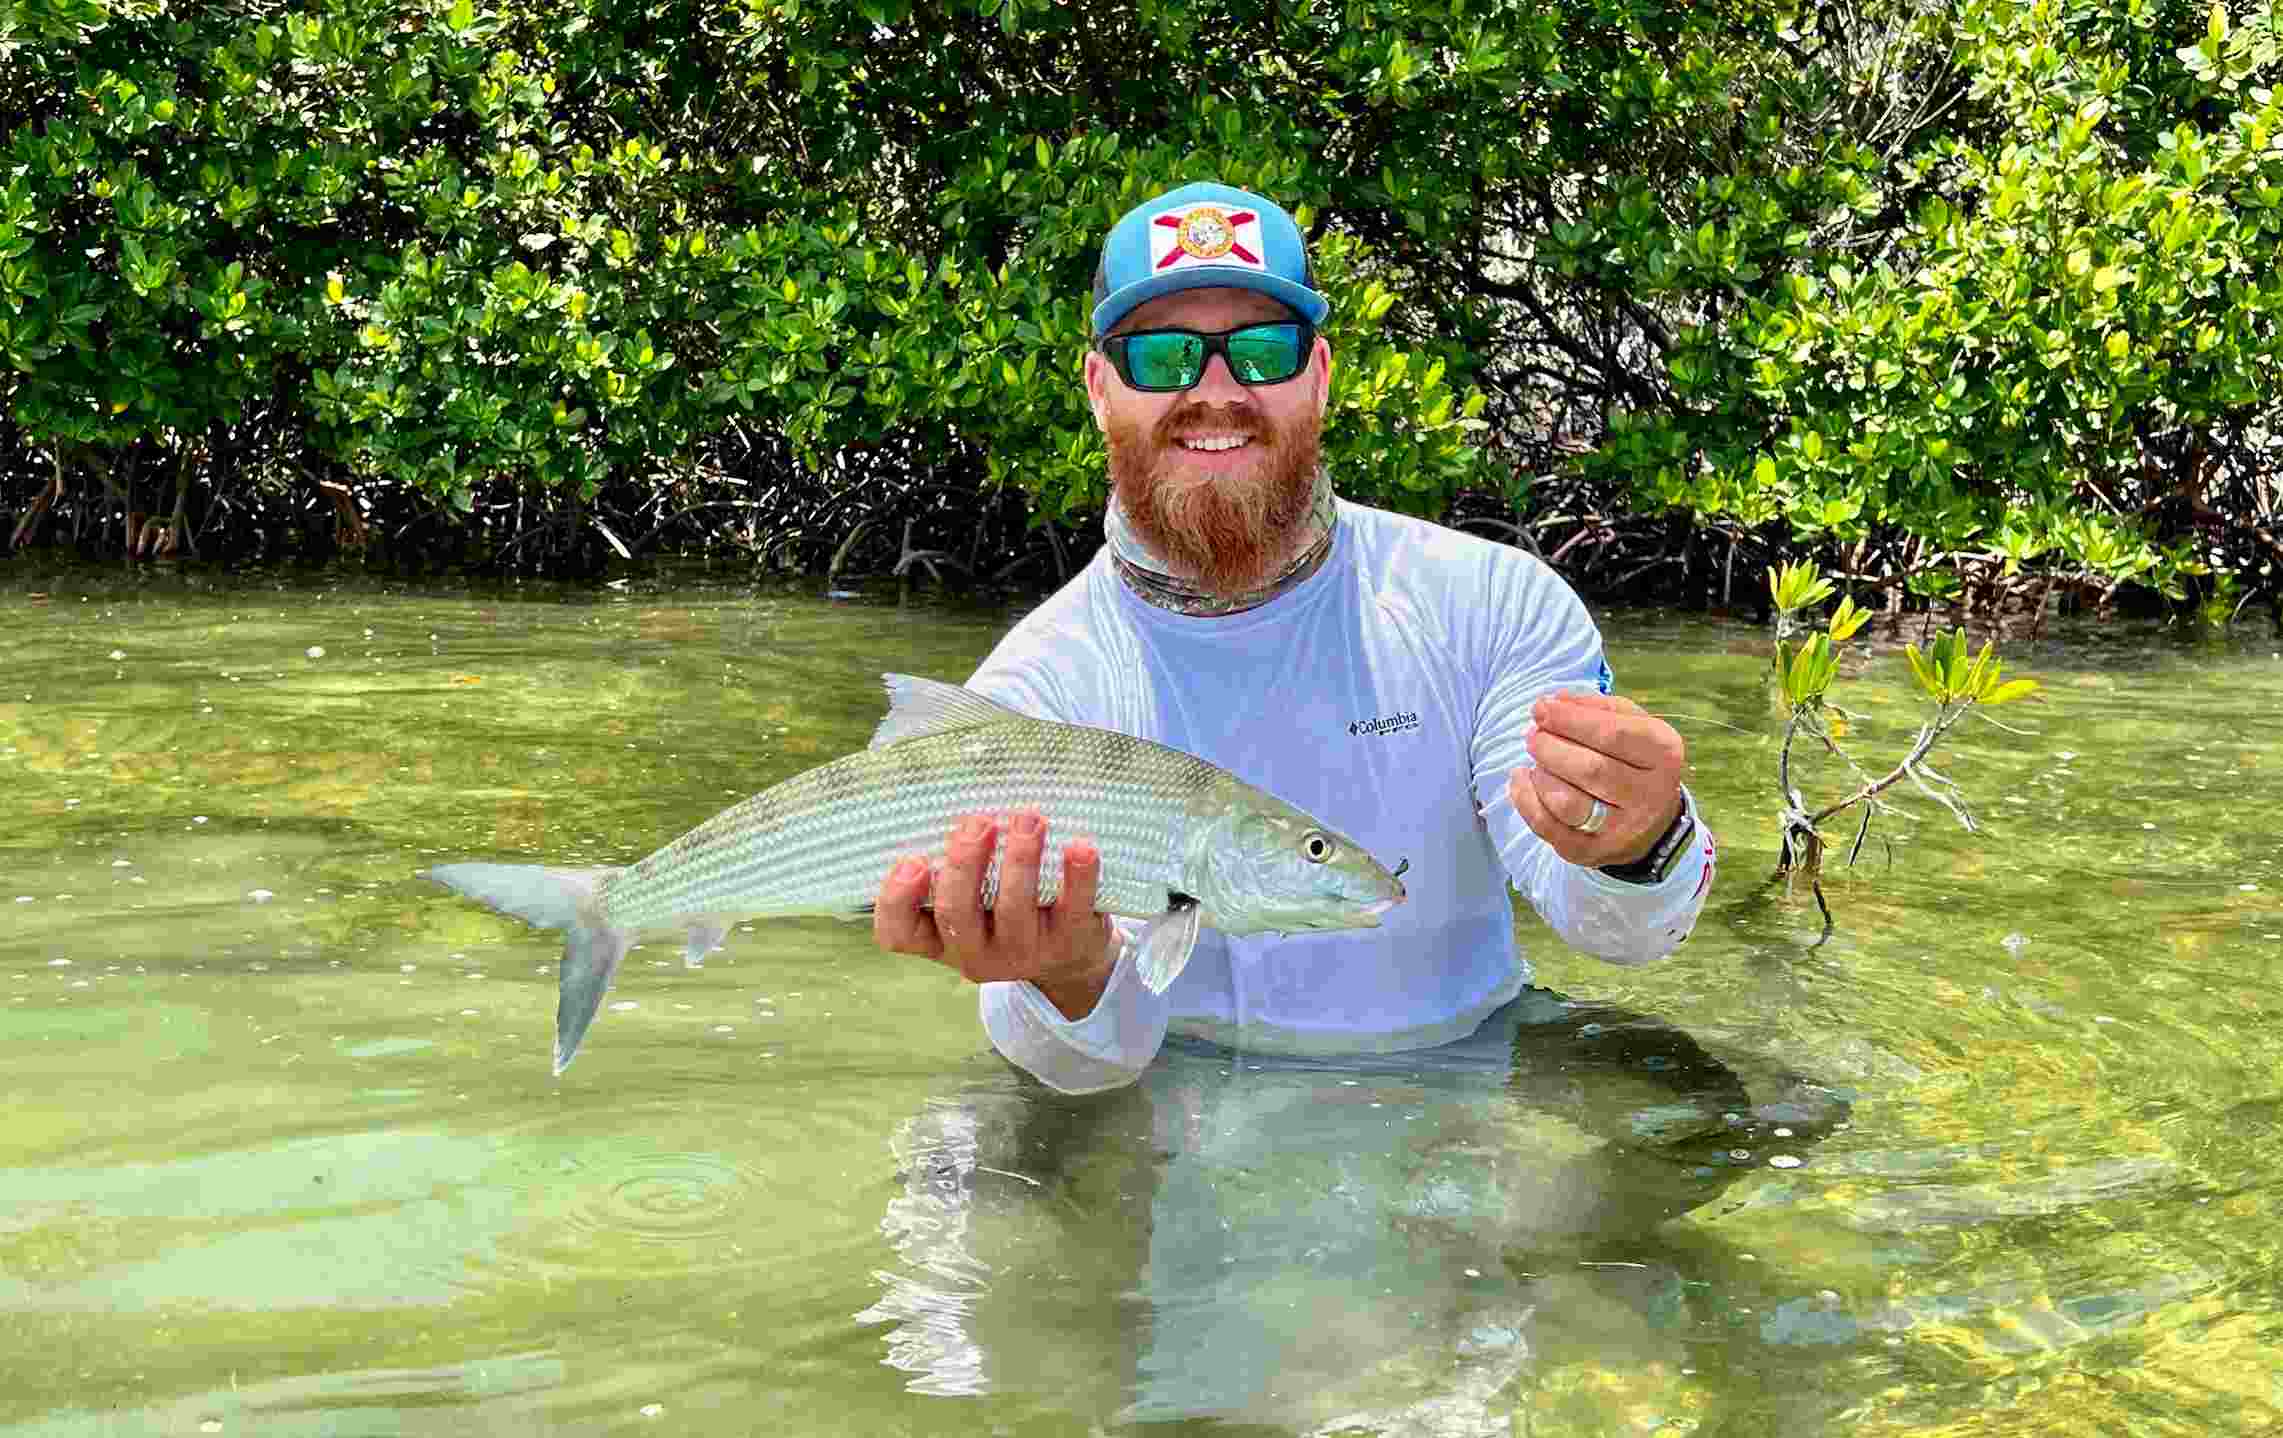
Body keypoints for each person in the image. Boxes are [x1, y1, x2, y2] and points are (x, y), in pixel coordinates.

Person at [871, 180, 1716, 1094]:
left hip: (1454, 1081)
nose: (1216, 393)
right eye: (1161, 358)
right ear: (1097, 388)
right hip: (1171, 1107)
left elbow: (1619, 935)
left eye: (1261, 352)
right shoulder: (1033, 690)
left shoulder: (1493, 603)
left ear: (1317, 375)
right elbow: (1078, 1071)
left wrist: (1637, 840)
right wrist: (1065, 973)